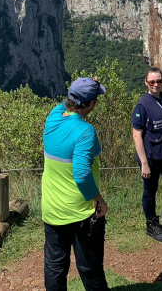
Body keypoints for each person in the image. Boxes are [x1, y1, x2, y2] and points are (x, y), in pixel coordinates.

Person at [41, 77, 109, 291]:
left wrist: (84, 88)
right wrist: (98, 199)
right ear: (90, 104)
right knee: (90, 266)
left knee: (55, 266)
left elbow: (65, 105)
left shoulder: (53, 118)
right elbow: (81, 175)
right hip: (81, 212)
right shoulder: (85, 132)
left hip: (52, 209)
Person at [132, 67, 162, 242]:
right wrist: (144, 162)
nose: (155, 85)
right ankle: (151, 224)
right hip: (151, 156)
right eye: (152, 82)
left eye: (158, 81)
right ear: (146, 82)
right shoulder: (142, 105)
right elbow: (137, 134)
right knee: (150, 191)